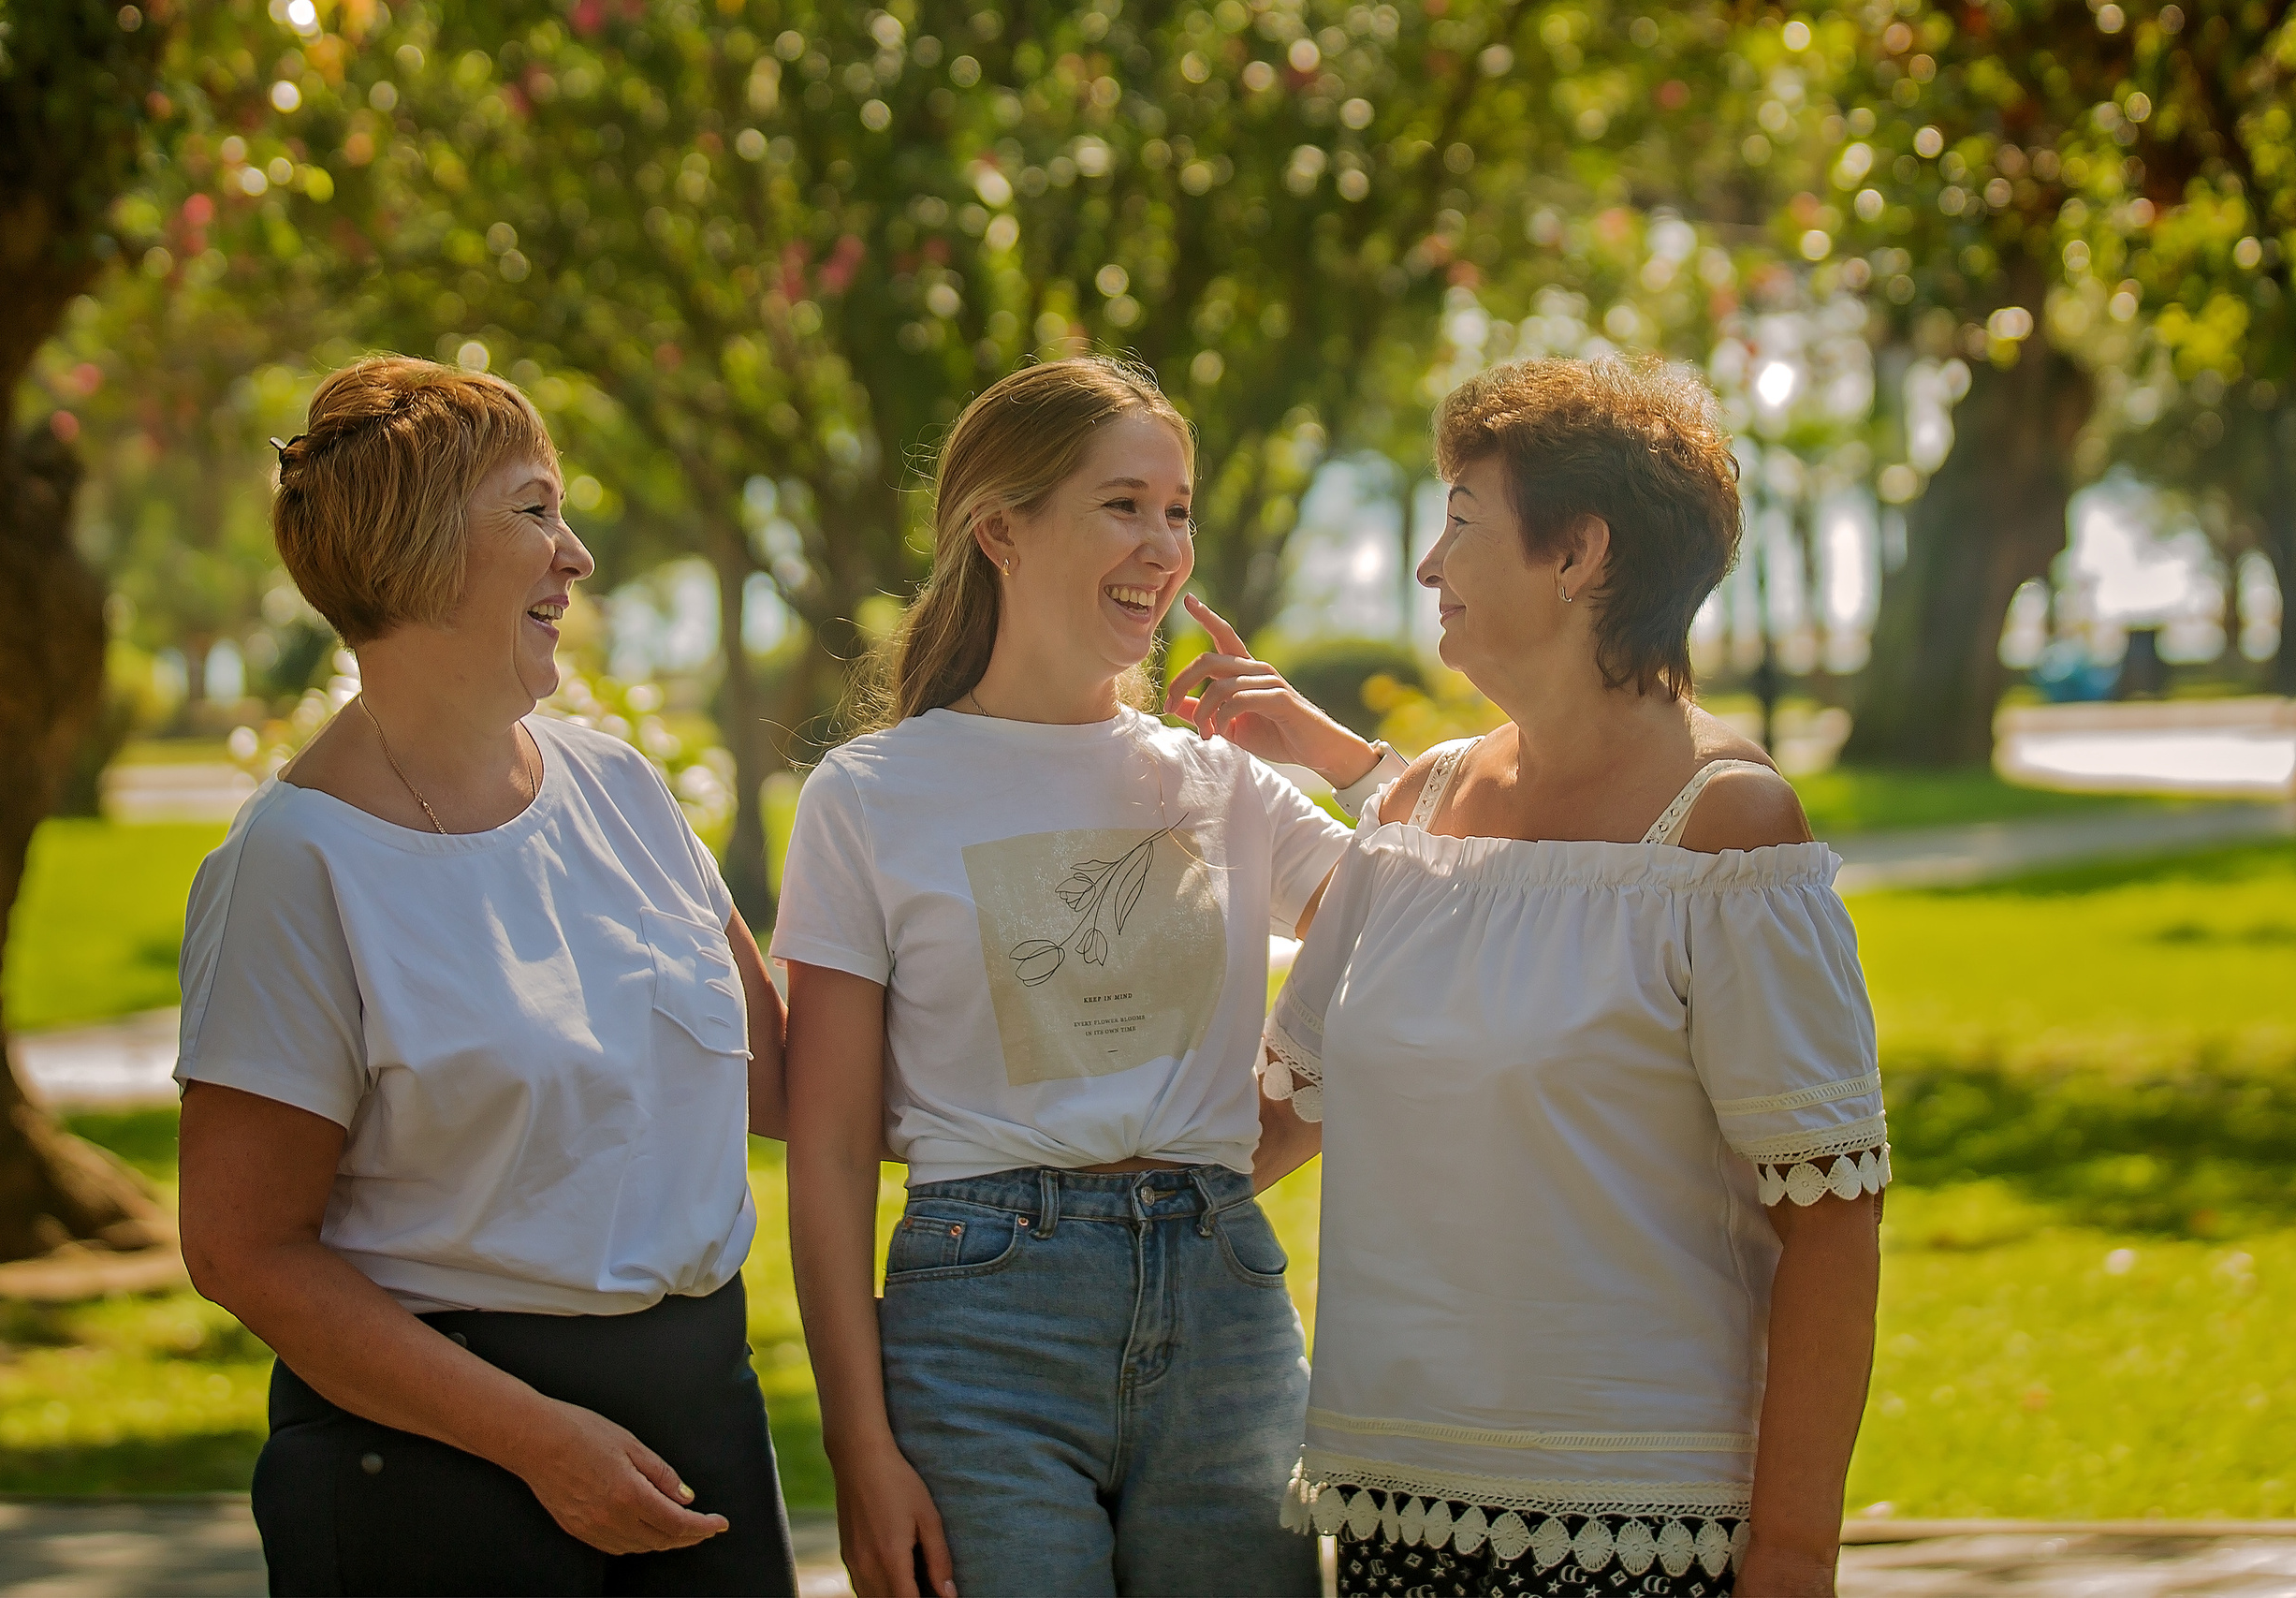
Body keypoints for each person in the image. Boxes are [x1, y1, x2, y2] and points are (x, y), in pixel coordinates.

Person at [776, 356, 1408, 1598]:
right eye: (1124, 505)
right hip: (980, 1325)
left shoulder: (1218, 782)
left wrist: (1333, 752)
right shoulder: (869, 797)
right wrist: (858, 1441)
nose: (1163, 547)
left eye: (1177, 510)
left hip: (1224, 1303)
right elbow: (832, 1149)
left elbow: (1424, 927)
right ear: (999, 530)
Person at [175, 356, 797, 1597]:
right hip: (434, 1470)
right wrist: (538, 1443)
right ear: (413, 546)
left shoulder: (620, 788)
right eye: (534, 511)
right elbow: (245, 1250)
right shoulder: (295, 865)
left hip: (702, 1430)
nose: (576, 557)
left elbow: (786, 1080)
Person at [1262, 357, 1883, 1598]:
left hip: (1636, 1533)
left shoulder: (1728, 834)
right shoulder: (1413, 816)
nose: (1431, 566)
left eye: (1462, 521)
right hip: (1396, 1510)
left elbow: (1833, 1220)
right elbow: (1274, 1120)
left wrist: (1797, 1554)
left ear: (1576, 553)